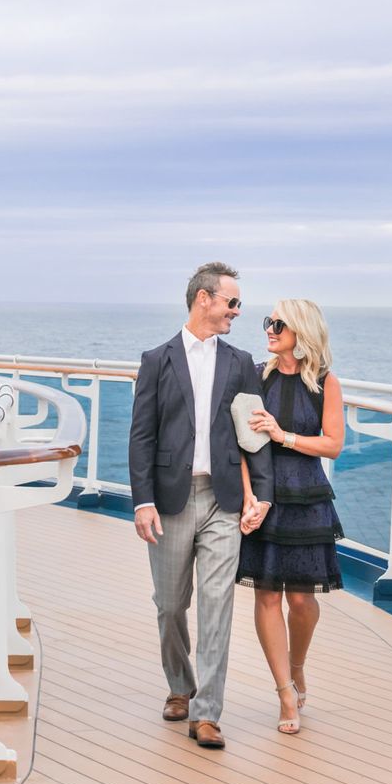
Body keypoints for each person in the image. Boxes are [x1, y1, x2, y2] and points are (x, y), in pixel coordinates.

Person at [129, 262, 273, 750]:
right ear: (203, 300)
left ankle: (207, 713)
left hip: (224, 499)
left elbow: (255, 437)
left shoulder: (241, 361)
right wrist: (142, 500)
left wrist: (264, 495)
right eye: (232, 302)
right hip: (169, 501)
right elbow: (141, 436)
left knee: (218, 606)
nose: (237, 311)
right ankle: (180, 685)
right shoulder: (156, 360)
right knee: (170, 606)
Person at [237, 299, 344, 735]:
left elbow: (333, 444)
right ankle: (284, 692)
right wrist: (248, 499)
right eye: (268, 322)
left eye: (278, 323)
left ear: (301, 330)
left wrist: (285, 435)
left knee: (301, 600)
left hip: (306, 495)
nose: (269, 328)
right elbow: (241, 443)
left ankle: (297, 667)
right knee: (266, 597)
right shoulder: (255, 377)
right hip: (263, 494)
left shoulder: (324, 381)